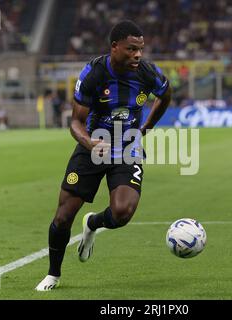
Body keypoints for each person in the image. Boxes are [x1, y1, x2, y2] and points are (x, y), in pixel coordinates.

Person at [35, 20, 172, 291]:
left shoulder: (148, 73)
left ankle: (93, 224)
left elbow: (166, 95)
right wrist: (89, 143)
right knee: (63, 216)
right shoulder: (94, 73)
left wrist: (148, 127)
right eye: (131, 49)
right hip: (93, 147)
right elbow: (75, 122)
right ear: (115, 47)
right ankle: (53, 274)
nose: (138, 55)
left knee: (122, 213)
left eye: (141, 49)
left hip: (127, 147)